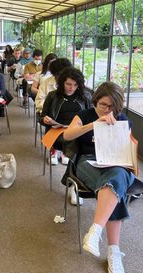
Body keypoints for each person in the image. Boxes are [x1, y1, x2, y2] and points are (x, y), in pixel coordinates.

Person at [63, 82, 134, 273]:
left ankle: (95, 231)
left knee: (116, 177)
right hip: (88, 162)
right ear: (95, 100)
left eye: (112, 107)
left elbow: (126, 149)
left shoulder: (122, 119)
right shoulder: (85, 115)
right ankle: (113, 251)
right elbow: (67, 135)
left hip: (115, 163)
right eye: (103, 104)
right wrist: (93, 125)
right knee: (115, 186)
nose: (107, 110)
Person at [40, 67, 92, 205]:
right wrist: (45, 120)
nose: (72, 88)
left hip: (78, 131)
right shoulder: (53, 96)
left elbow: (91, 118)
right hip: (57, 131)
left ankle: (71, 183)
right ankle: (74, 187)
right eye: (69, 84)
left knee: (80, 143)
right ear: (62, 82)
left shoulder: (85, 97)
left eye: (75, 85)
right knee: (78, 146)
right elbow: (41, 117)